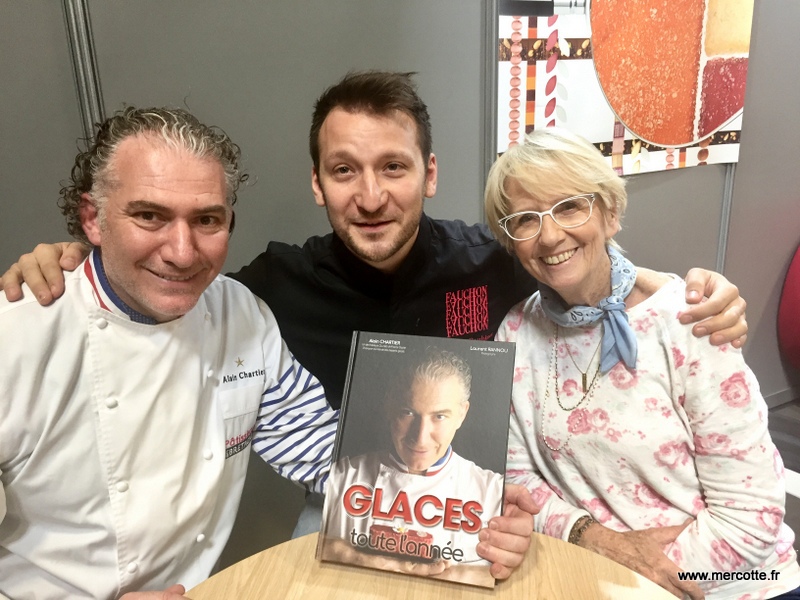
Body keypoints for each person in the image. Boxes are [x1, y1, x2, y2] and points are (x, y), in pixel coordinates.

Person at [0, 72, 748, 543]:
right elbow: (159, 289)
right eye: (343, 171)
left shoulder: (491, 261)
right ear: (318, 184)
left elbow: (576, 266)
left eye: (393, 167)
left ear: (428, 174)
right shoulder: (263, 291)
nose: (369, 196)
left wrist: (682, 291)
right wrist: (78, 263)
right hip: (340, 502)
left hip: (477, 506)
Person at [0, 107, 340, 599]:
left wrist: (471, 504)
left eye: (206, 220)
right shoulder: (16, 336)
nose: (182, 251)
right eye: (149, 215)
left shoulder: (240, 315)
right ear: (92, 219)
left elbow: (317, 446)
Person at [486, 127, 800, 599]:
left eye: (570, 206)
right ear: (511, 241)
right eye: (526, 220)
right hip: (596, 569)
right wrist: (593, 540)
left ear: (611, 213)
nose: (550, 236)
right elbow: (518, 480)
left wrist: (636, 586)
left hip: (741, 582)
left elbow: (749, 517)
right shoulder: (515, 332)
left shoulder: (692, 323)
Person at [320, 348, 505, 587]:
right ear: (388, 406)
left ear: (462, 414)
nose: (420, 438)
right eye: (407, 412)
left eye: (439, 416)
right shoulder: (344, 476)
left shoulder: (492, 492)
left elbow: (504, 578)